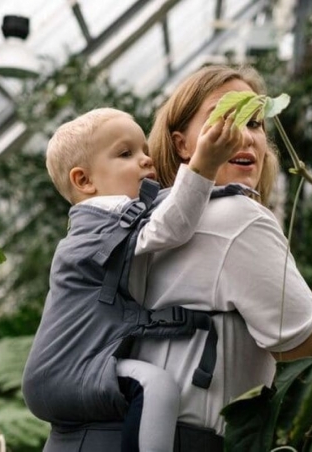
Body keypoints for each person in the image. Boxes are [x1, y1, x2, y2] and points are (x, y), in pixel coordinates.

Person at [124, 64, 312, 444]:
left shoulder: (154, 220)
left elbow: (280, 343)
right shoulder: (237, 218)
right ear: (182, 145)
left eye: (256, 123)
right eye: (224, 120)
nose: (244, 135)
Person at [21, 106, 246, 452]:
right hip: (63, 373)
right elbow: (170, 225)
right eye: (126, 153)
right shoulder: (93, 229)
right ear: (84, 181)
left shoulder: (120, 216)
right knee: (157, 386)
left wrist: (220, 189)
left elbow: (168, 204)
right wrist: (204, 165)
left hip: (77, 366)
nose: (145, 160)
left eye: (144, 150)